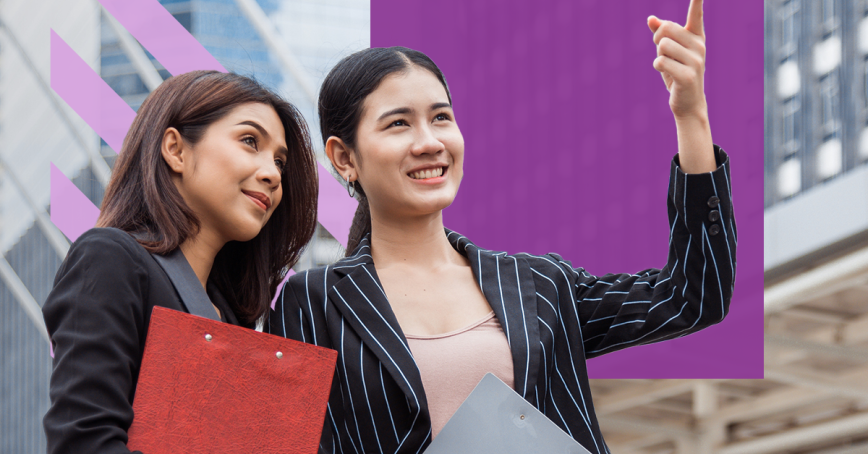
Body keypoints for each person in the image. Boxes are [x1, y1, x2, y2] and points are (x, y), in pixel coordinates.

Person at [268, 0, 734, 453]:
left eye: (441, 117)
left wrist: (691, 114)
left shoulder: (539, 285)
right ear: (344, 157)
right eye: (398, 124)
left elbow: (691, 298)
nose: (429, 142)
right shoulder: (311, 305)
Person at [42, 70, 318, 454]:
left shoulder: (231, 315)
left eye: (280, 163)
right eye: (250, 141)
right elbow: (84, 441)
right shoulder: (110, 258)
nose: (272, 174)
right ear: (175, 149)